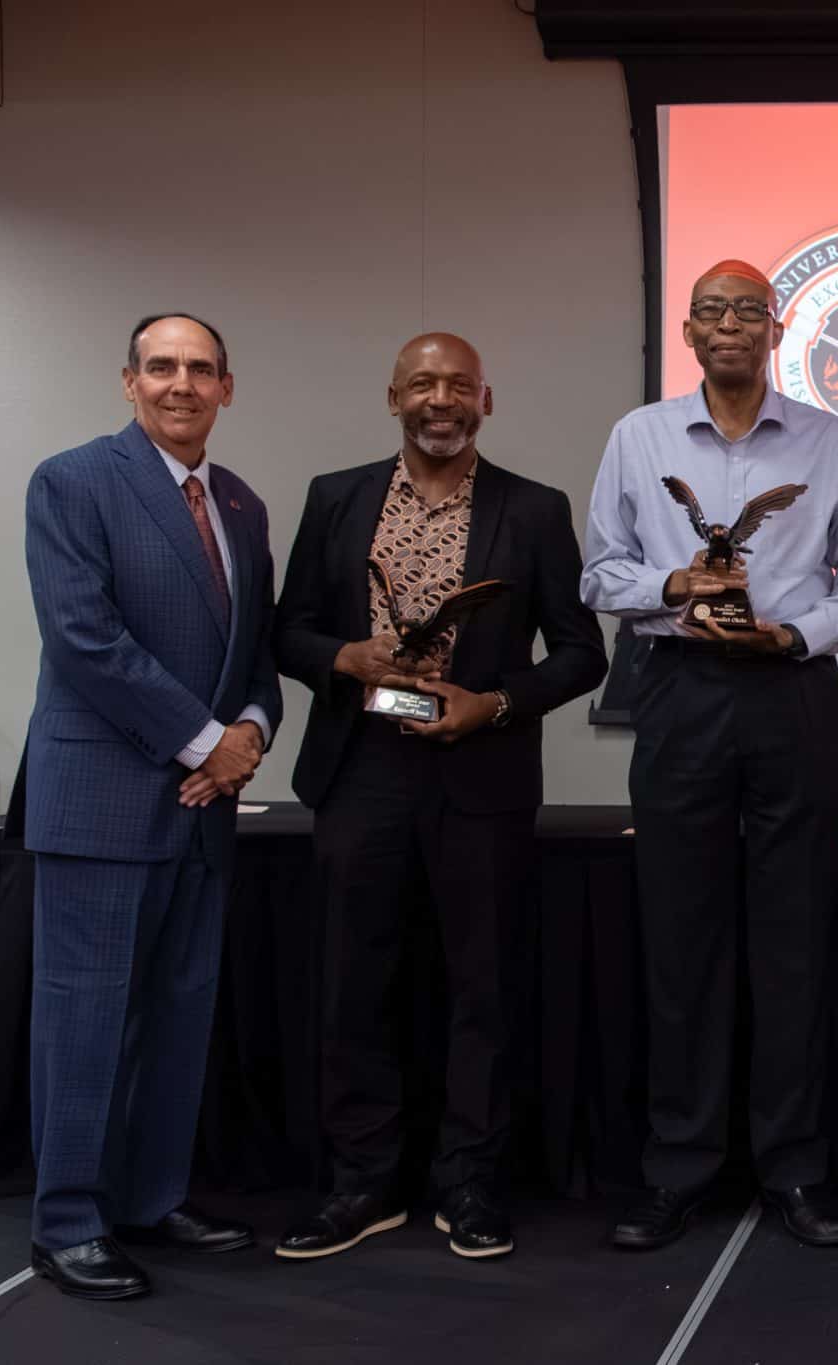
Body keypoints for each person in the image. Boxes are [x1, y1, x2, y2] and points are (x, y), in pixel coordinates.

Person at [582, 259, 838, 1250]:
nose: (729, 324)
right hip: (678, 692)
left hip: (789, 691)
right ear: (687, 330)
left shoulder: (829, 440)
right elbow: (600, 572)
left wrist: (795, 634)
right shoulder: (638, 436)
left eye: (747, 310)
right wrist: (674, 586)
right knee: (681, 936)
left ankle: (795, 1168)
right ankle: (678, 1165)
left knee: (793, 936)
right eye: (711, 310)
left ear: (776, 328)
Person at [269, 333, 607, 1262]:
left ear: (486, 402)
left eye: (460, 384)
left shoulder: (534, 509)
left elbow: (582, 652)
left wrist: (491, 704)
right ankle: (362, 1181)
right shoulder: (336, 498)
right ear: (394, 398)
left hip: (479, 771)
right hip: (360, 769)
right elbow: (288, 631)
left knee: (482, 986)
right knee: (354, 983)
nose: (441, 398)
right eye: (422, 383)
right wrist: (348, 657)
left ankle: (471, 1181)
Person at [22, 314, 284, 1299]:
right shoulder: (72, 482)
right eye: (162, 366)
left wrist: (249, 730)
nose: (182, 383)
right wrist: (206, 741)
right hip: (102, 802)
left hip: (203, 811)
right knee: (84, 1021)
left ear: (227, 387)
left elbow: (255, 654)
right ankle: (68, 1224)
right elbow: (84, 637)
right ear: (128, 381)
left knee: (176, 1018)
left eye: (201, 369)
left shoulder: (242, 505)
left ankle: (149, 1197)